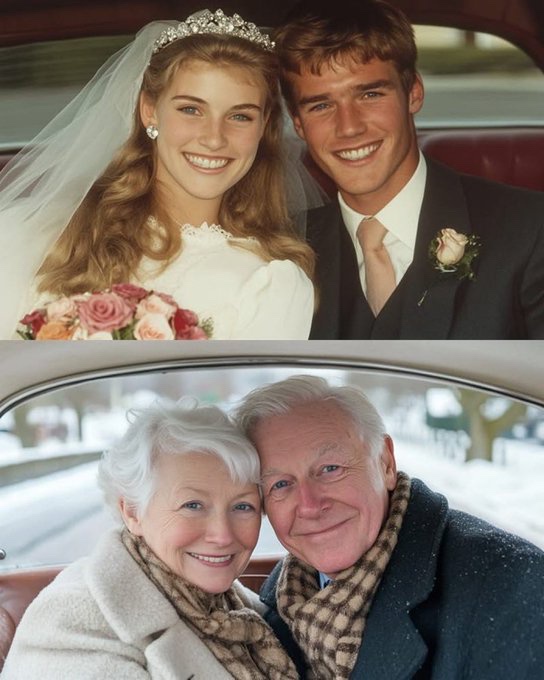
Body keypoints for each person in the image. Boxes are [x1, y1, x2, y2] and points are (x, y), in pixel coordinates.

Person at [0, 9, 320, 340]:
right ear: (150, 111)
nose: (214, 138)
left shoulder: (271, 283)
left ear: (264, 125)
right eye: (191, 110)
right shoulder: (40, 232)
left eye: (240, 116)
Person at [233, 375, 544, 679]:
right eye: (281, 484)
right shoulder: (285, 591)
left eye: (330, 469)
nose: (310, 505)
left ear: (386, 463)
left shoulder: (512, 585)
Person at [273, 0, 544, 339]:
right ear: (298, 124)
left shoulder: (530, 231)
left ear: (413, 93)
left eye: (370, 94)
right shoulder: (281, 252)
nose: (349, 127)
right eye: (321, 105)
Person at [2, 400, 299, 679]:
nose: (223, 535)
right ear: (132, 511)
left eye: (242, 506)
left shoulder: (233, 604)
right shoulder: (69, 622)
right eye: (192, 505)